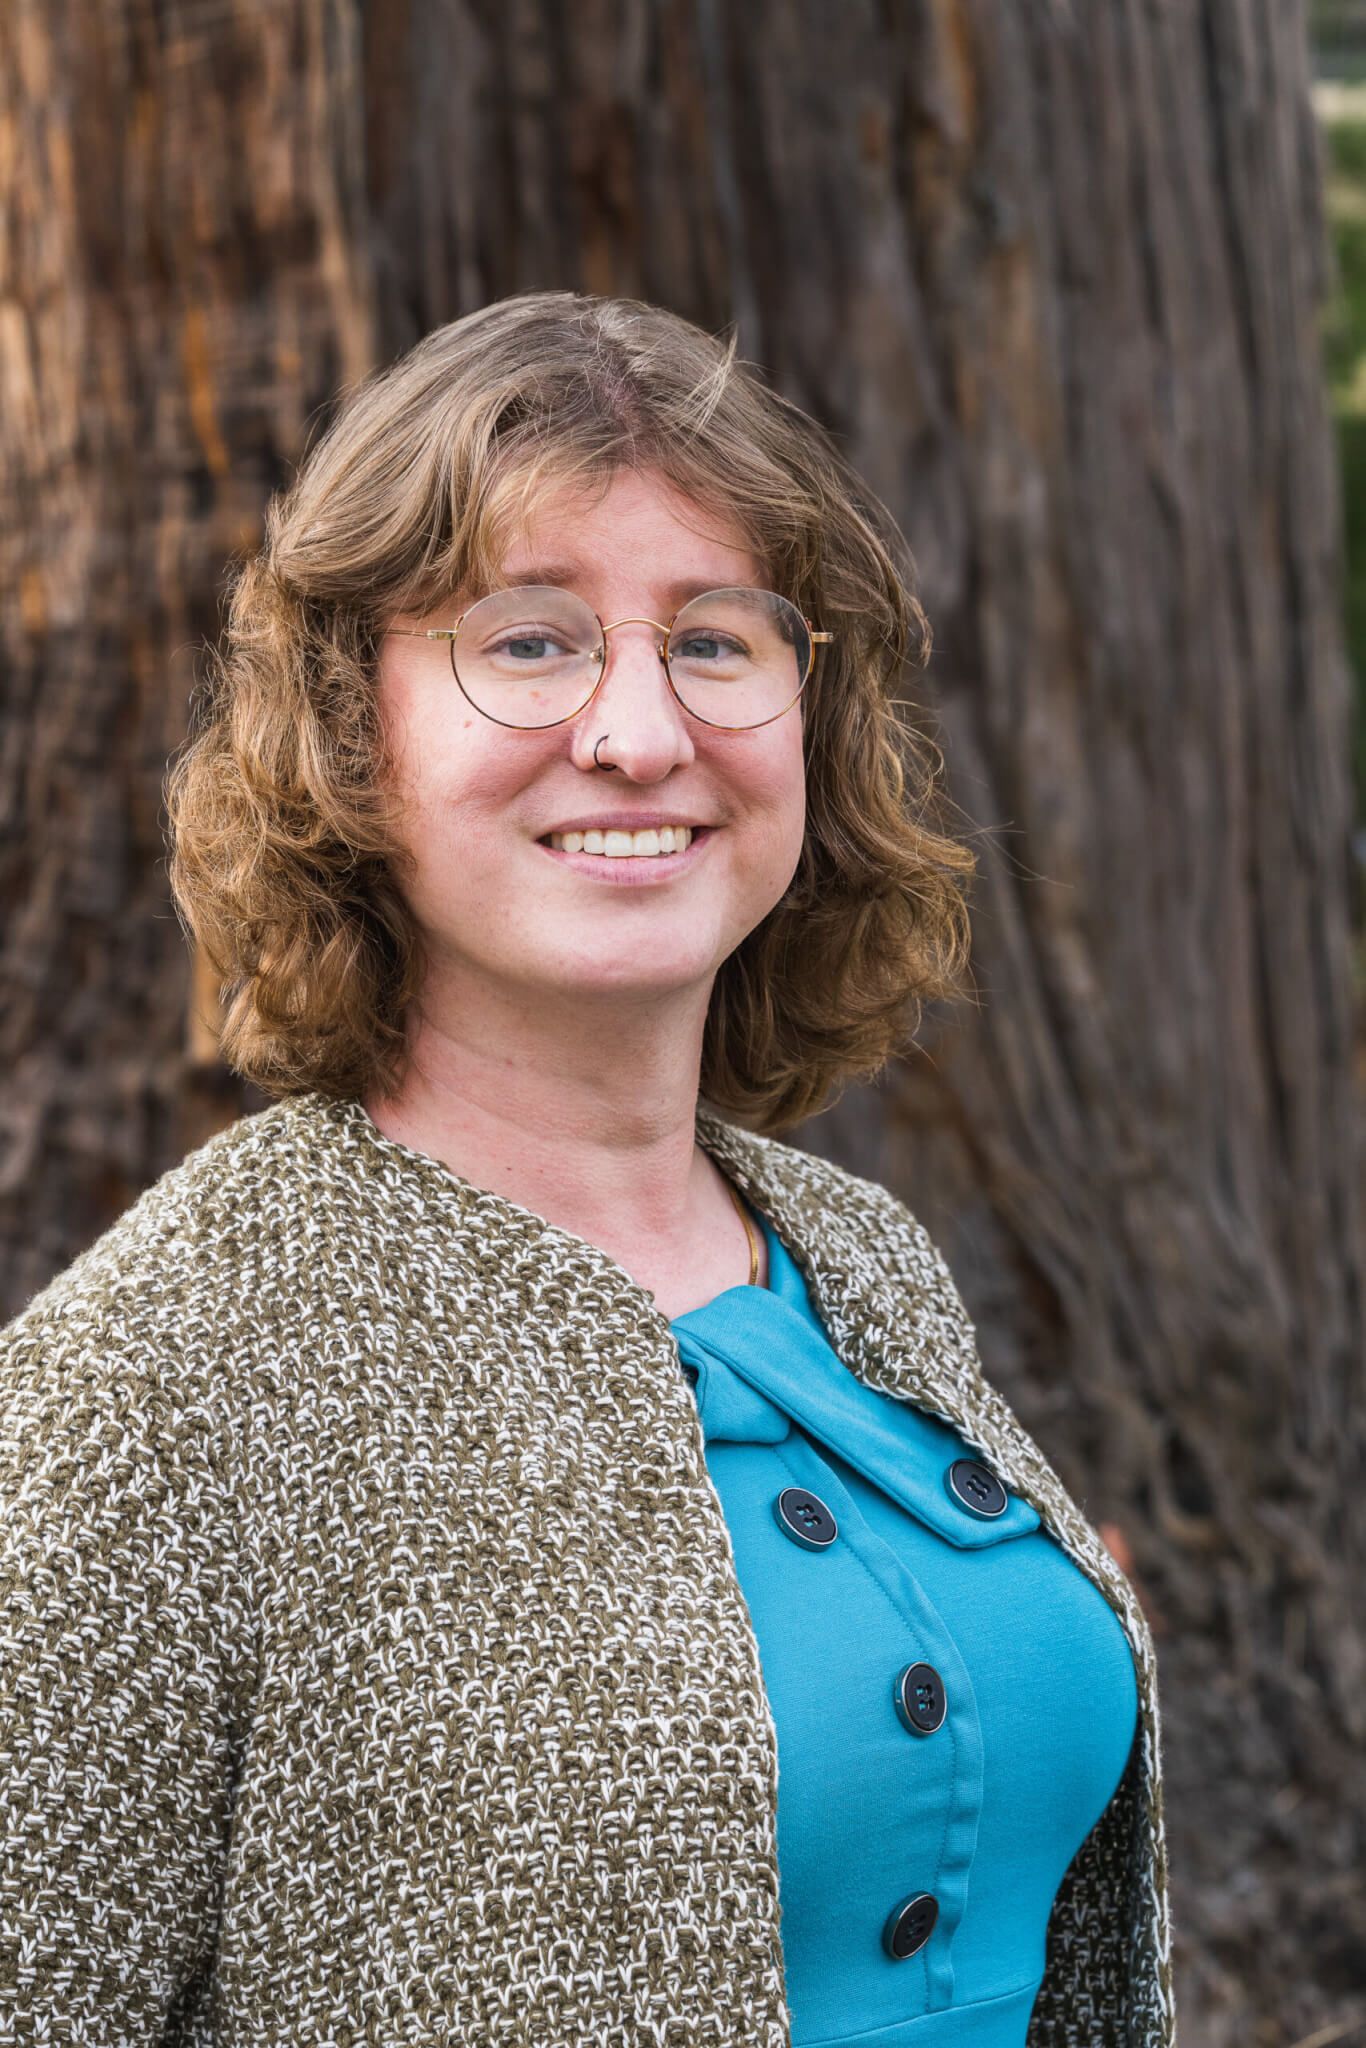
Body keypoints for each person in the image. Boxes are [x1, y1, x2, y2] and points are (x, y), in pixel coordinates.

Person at [0, 292, 1172, 2047]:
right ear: (350, 733)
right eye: (527, 642)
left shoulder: (860, 1263)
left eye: (718, 641)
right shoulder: (154, 1384)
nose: (639, 733)